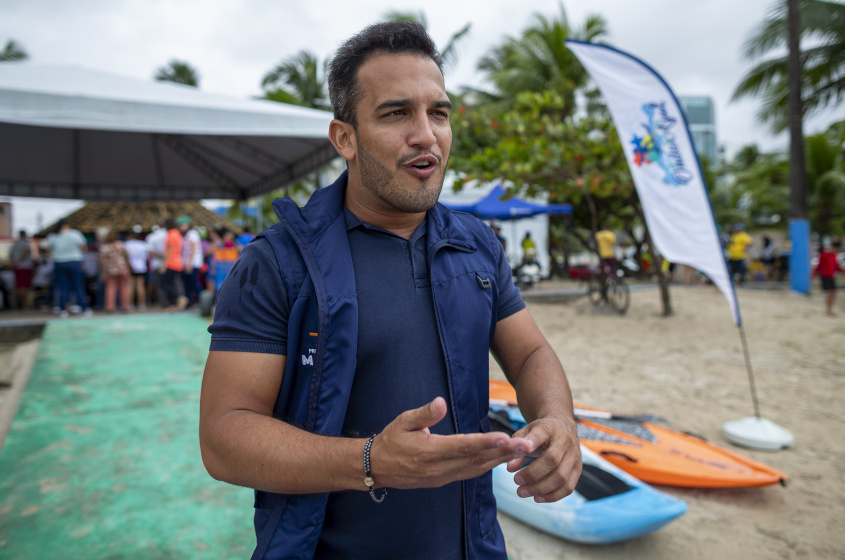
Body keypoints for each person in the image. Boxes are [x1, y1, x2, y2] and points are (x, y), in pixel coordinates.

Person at [199, 22, 581, 560]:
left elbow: (531, 352)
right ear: (345, 138)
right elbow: (223, 436)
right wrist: (371, 461)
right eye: (397, 113)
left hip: (475, 546)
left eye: (439, 113)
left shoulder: (476, 245)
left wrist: (558, 420)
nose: (426, 134)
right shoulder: (277, 264)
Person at [41, 220, 92, 318]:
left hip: (59, 262)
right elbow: (84, 247)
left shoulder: (53, 236)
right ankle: (85, 309)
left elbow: (47, 250)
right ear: (67, 226)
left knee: (62, 287)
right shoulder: (75, 234)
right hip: (74, 262)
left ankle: (63, 310)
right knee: (78, 286)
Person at [159, 218, 188, 311]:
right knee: (173, 283)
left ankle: (180, 298)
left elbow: (170, 250)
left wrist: (164, 264)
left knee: (164, 283)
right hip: (178, 262)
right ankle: (178, 300)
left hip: (171, 263)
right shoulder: (178, 234)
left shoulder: (171, 234)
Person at [99, 229, 132, 313]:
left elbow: (102, 261)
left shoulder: (105, 247)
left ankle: (110, 307)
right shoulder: (121, 244)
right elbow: (128, 255)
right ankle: (125, 306)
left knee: (110, 288)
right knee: (124, 288)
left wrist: (103, 271)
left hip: (110, 269)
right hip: (122, 268)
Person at [178, 215, 203, 307]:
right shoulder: (184, 235)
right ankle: (190, 304)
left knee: (195, 283)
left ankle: (202, 303)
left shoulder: (192, 234)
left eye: (182, 225)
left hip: (193, 263)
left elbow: (193, 248)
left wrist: (189, 263)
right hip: (186, 263)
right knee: (186, 285)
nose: (181, 227)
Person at [813, 240, 844, 316]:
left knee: (834, 293)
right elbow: (819, 266)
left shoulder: (834, 255)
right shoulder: (824, 254)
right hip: (825, 276)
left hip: (831, 276)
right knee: (829, 292)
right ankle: (828, 310)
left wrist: (843, 272)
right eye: (835, 249)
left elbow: (836, 266)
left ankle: (830, 309)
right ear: (832, 247)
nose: (836, 251)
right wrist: (813, 275)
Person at [124, 230, 150, 310]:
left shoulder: (126, 244)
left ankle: (130, 305)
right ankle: (141, 304)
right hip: (141, 267)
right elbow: (147, 257)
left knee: (130, 286)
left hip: (130, 267)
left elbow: (125, 256)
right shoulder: (143, 244)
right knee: (140, 286)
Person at [9, 230, 34, 311]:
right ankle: (24, 306)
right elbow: (25, 252)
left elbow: (11, 254)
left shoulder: (15, 244)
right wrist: (18, 261)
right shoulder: (25, 243)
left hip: (17, 267)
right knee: (23, 288)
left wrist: (14, 263)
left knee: (17, 287)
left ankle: (16, 306)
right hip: (24, 267)